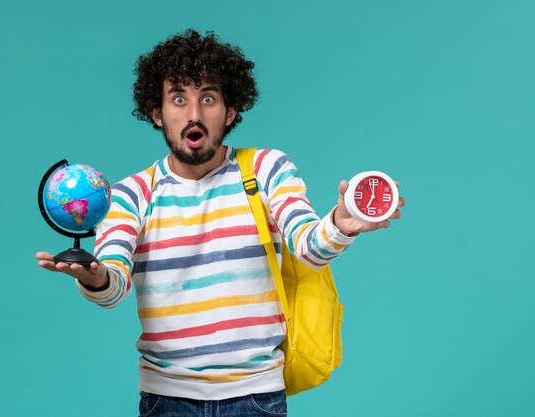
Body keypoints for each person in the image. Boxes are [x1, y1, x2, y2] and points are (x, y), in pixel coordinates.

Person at [37, 29, 404, 417]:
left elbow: (309, 247)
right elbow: (113, 284)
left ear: (230, 111)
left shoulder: (266, 168)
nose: (194, 114)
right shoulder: (131, 193)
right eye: (178, 98)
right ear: (157, 113)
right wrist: (95, 278)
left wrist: (342, 222)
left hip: (257, 398)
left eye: (208, 98)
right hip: (166, 400)